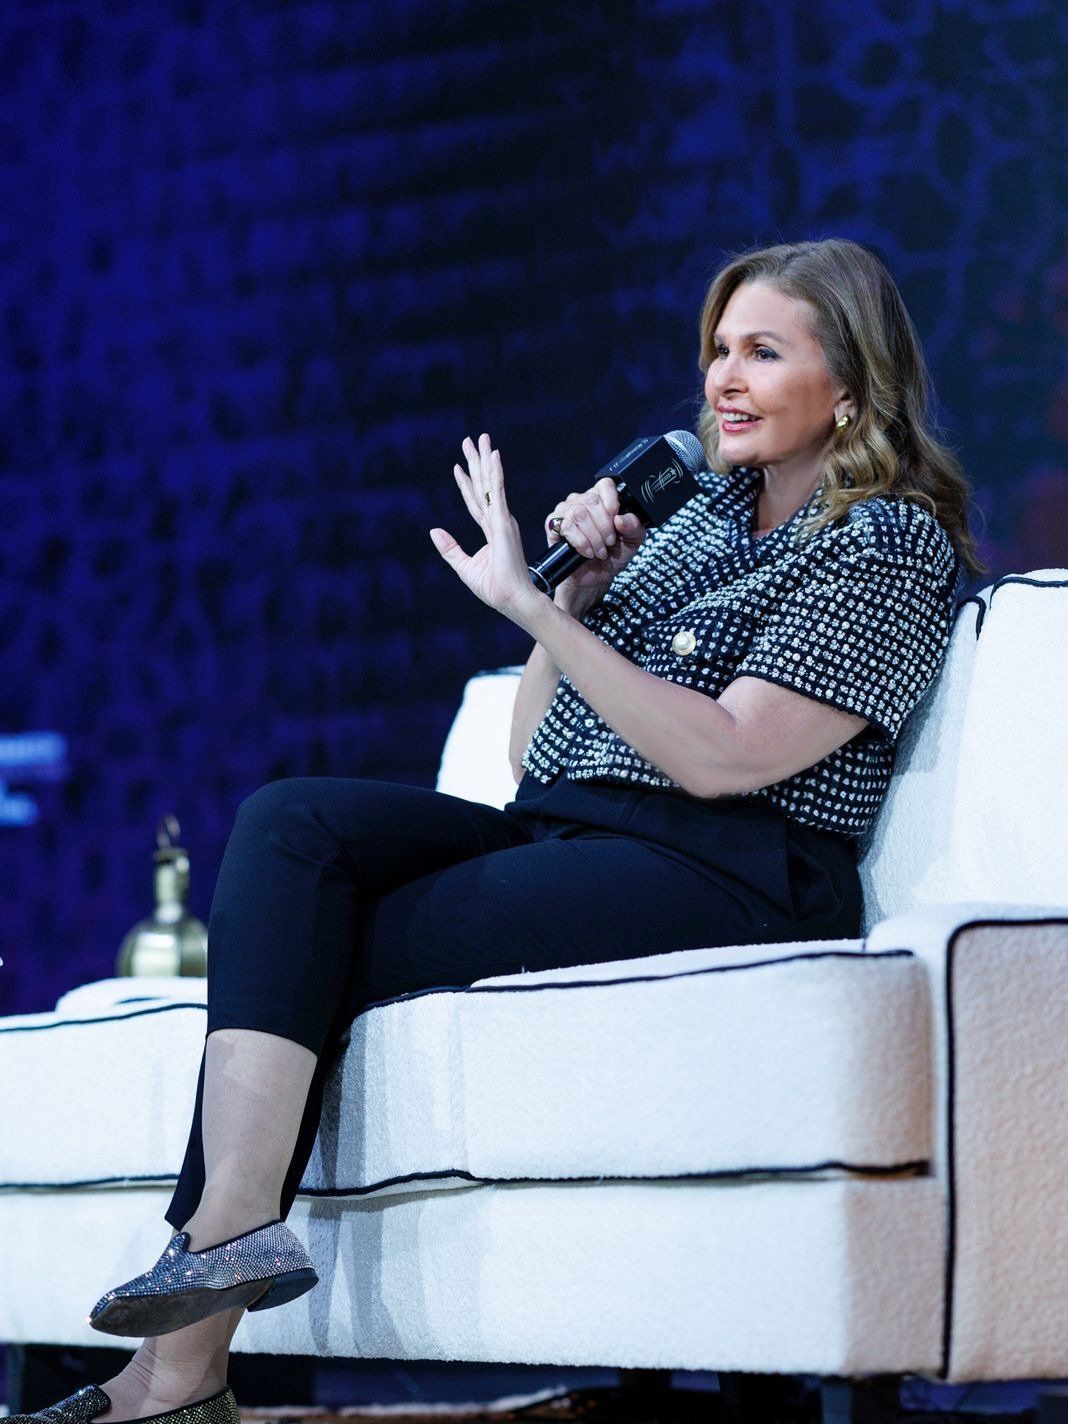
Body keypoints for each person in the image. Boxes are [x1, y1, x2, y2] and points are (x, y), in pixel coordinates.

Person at [13, 238, 981, 1424]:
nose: (724, 378)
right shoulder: (691, 520)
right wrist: (572, 599)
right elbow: (539, 750)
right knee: (289, 822)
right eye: (719, 350)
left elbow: (727, 754)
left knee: (317, 952)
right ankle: (222, 1254)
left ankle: (179, 1357)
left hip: (728, 864)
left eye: (764, 352)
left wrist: (531, 604)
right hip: (570, 830)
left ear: (851, 386)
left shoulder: (884, 542)